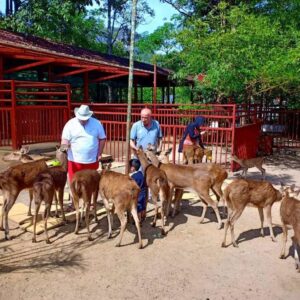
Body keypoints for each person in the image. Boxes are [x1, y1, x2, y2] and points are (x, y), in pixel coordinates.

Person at [61, 104, 106, 182]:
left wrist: (99, 153)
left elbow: (102, 138)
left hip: (92, 160)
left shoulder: (97, 123)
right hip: (74, 161)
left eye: (85, 119)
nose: (83, 120)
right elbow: (65, 139)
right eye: (81, 118)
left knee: (90, 184)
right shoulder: (70, 124)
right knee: (75, 185)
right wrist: (64, 147)